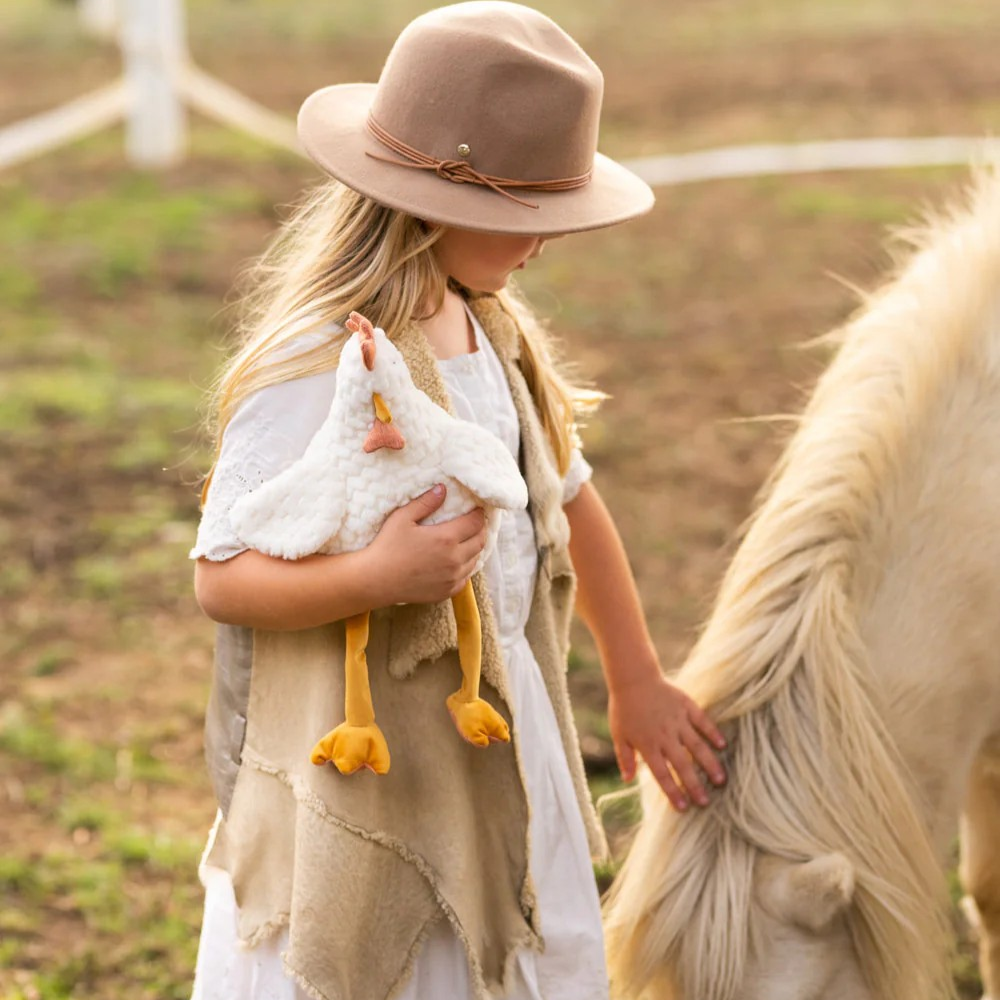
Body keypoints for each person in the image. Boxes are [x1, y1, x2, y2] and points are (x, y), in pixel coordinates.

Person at [188, 4, 727, 1000]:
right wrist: (374, 575)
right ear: (430, 204)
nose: (547, 241)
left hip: (499, 729)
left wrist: (637, 677)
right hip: (380, 766)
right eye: (527, 216)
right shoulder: (323, 361)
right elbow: (222, 577)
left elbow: (569, 505)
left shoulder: (496, 337)